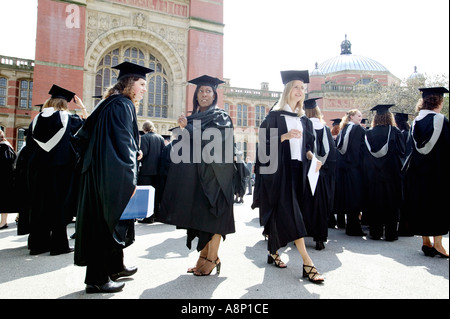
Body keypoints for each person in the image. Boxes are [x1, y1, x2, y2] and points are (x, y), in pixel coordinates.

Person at [74, 61, 153, 293]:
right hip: (110, 174)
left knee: (107, 221)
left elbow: (87, 139)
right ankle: (97, 279)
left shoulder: (110, 103)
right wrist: (130, 171)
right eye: (141, 84)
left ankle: (114, 267)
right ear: (129, 84)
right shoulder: (122, 105)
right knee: (105, 223)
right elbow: (122, 144)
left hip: (99, 172)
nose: (144, 89)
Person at [252, 70, 324, 284]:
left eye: (303, 88)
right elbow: (263, 143)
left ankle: (273, 251)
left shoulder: (303, 120)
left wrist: (314, 158)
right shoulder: (275, 116)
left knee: (283, 211)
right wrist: (283, 136)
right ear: (287, 90)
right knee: (293, 213)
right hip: (280, 171)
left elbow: (307, 146)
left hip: (298, 171)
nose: (300, 91)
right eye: (296, 87)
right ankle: (307, 263)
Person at [159, 75, 235, 276]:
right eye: (200, 91)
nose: (204, 94)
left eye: (208, 91)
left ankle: (213, 257)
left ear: (214, 94)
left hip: (217, 175)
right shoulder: (192, 118)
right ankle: (203, 256)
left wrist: (187, 128)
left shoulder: (220, 116)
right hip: (197, 176)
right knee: (201, 216)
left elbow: (213, 142)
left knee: (216, 215)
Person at [18, 85, 86, 255]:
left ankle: (38, 245)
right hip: (60, 170)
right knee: (59, 206)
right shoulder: (68, 118)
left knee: (40, 205)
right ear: (64, 103)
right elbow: (87, 127)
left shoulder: (36, 119)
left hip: (37, 171)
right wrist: (83, 108)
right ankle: (58, 245)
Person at [402, 87, 449, 258]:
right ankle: (438, 244)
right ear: (439, 102)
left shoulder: (415, 122)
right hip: (437, 173)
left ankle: (426, 242)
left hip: (417, 173)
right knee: (438, 206)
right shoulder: (441, 121)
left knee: (422, 204)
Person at [362, 104, 405, 241]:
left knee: (375, 202)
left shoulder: (368, 133)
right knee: (391, 203)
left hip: (374, 175)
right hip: (391, 175)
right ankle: (391, 233)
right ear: (389, 117)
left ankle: (375, 232)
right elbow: (402, 153)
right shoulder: (395, 132)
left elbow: (364, 157)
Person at [303, 98, 337, 250]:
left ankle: (302, 234)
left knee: (305, 204)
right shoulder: (326, 129)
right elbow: (332, 153)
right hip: (322, 173)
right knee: (320, 206)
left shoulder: (303, 126)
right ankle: (320, 239)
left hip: (306, 173)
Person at [334, 109, 366, 236]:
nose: (360, 118)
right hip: (355, 168)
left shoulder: (344, 130)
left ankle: (350, 225)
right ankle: (354, 227)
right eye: (358, 116)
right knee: (356, 197)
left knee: (348, 196)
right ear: (351, 116)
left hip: (344, 168)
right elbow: (362, 150)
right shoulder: (358, 130)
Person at [137, 120, 165, 223]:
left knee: (146, 195)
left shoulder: (144, 138)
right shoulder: (160, 138)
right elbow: (163, 154)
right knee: (156, 194)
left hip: (147, 171)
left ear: (144, 129)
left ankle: (147, 217)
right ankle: (156, 215)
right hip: (158, 171)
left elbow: (143, 154)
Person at [0, 129, 17, 229]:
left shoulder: (4, 146)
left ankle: (3, 222)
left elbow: (6, 163)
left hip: (5, 178)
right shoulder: (5, 145)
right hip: (6, 177)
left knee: (4, 200)